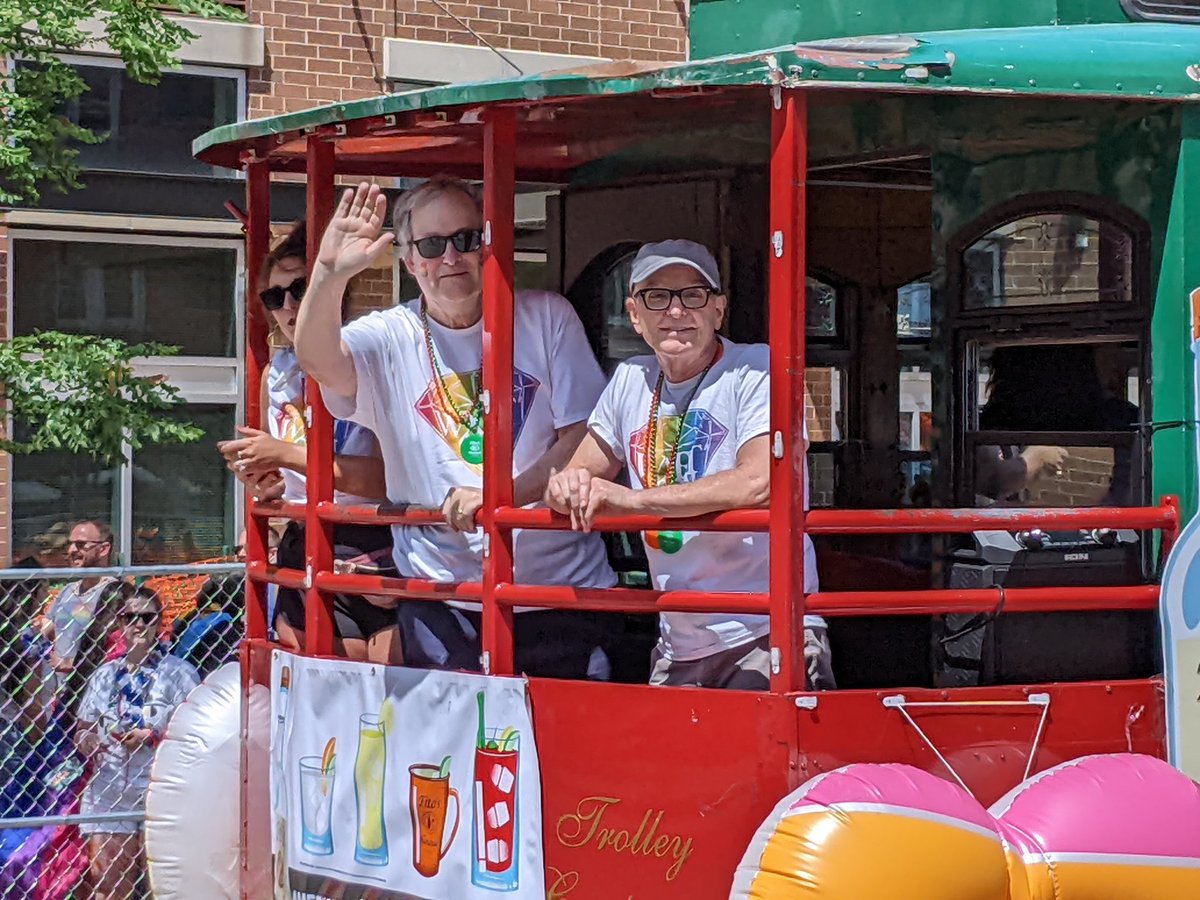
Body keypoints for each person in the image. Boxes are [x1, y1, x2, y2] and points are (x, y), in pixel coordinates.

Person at [295, 179, 616, 678]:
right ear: (409, 260)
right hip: (441, 595)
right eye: (431, 245)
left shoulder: (546, 317)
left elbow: (584, 436)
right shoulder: (389, 335)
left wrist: (500, 496)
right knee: (448, 756)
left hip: (560, 591)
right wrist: (328, 276)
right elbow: (318, 360)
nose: (451, 257)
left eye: (467, 240)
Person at [545, 240, 835, 691]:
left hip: (764, 629)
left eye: (692, 295)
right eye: (657, 297)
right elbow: (575, 475)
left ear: (718, 310)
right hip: (677, 641)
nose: (675, 311)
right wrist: (567, 490)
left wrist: (630, 500)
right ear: (634, 315)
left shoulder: (757, 368)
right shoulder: (631, 379)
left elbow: (759, 481)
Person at [217, 223, 401, 664]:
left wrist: (284, 454)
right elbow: (277, 479)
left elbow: (384, 478)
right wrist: (261, 476)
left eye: (300, 288)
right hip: (305, 536)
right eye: (274, 297)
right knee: (313, 683)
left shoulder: (371, 359)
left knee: (386, 692)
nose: (288, 306)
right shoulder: (275, 375)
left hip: (372, 538)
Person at [75, 587, 199, 900]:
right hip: (110, 789)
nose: (138, 624)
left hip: (160, 788)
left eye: (147, 617)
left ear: (159, 623)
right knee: (110, 888)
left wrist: (152, 735)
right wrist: (90, 740)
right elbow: (84, 727)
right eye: (130, 617)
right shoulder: (105, 675)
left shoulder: (178, 673)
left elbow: (197, 730)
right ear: (120, 622)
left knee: (166, 888)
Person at [974, 343, 1138, 504]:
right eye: (1105, 349)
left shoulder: (1121, 419)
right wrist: (1031, 463)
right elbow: (985, 483)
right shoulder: (993, 423)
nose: (1119, 361)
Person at [40, 521, 114, 678]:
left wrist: (70, 664)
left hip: (92, 684)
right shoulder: (68, 590)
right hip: (58, 688)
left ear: (104, 549)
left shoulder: (114, 593)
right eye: (70, 544)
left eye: (80, 544)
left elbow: (114, 646)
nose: (71, 550)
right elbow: (47, 630)